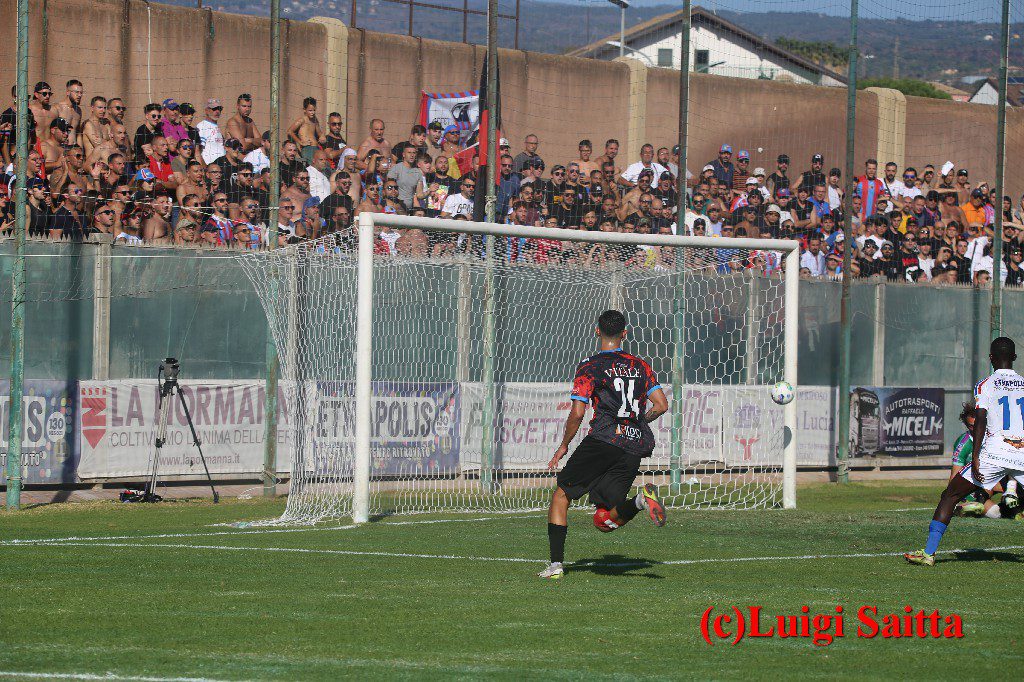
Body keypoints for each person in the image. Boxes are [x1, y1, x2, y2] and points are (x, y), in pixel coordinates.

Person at [538, 310, 669, 580]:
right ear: (625, 333)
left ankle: (555, 566)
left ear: (597, 331)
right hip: (632, 444)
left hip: (604, 438)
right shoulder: (640, 365)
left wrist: (564, 445)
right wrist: (638, 422)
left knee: (562, 495)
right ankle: (641, 501)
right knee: (604, 520)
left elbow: (577, 412)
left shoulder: (591, 365)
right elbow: (661, 405)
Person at [905, 337, 1024, 566]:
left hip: (994, 453)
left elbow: (980, 419)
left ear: (991, 358)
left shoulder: (985, 384)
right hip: (1021, 452)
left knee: (950, 495)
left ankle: (928, 553)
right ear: (1015, 358)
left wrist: (977, 455)